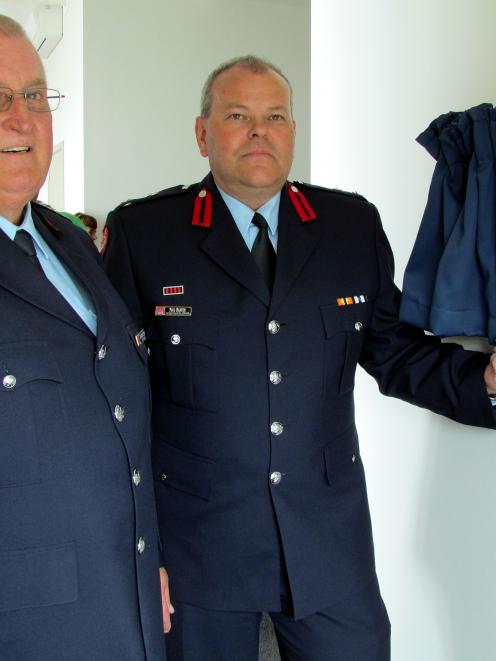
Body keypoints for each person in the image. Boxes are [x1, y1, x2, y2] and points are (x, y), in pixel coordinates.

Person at [103, 55, 496, 661]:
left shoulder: (348, 226)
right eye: (238, 115)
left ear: (292, 131)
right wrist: (132, 547)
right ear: (204, 133)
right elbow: (115, 401)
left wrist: (486, 382)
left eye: (276, 116)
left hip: (326, 543)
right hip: (199, 549)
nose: (260, 131)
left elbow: (395, 354)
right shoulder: (145, 234)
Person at [0, 15, 170, 660]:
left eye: (35, 96)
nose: (22, 120)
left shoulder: (68, 240)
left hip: (120, 599)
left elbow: (121, 416)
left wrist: (145, 558)